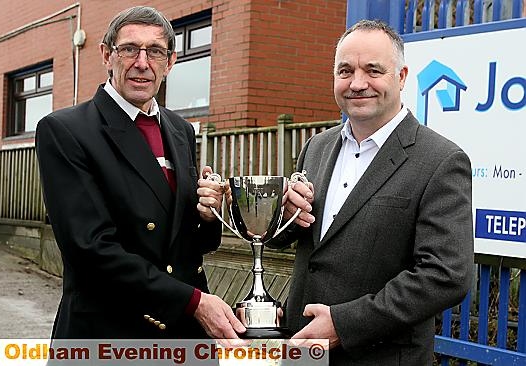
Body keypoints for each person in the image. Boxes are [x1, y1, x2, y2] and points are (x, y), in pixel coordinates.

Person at [269, 20, 474, 365]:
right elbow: (293, 241)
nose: (357, 83)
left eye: (373, 70)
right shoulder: (316, 147)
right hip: (304, 353)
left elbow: (445, 275)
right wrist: (286, 217)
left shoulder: (441, 160)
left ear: (402, 76)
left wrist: (344, 324)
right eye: (345, 71)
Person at [36, 6, 245, 340]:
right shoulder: (66, 130)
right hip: (111, 334)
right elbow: (89, 249)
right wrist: (193, 302)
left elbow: (184, 244)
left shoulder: (180, 130)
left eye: (156, 52)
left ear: (171, 62)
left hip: (181, 334)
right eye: (130, 49)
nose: (142, 63)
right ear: (107, 55)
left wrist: (207, 215)